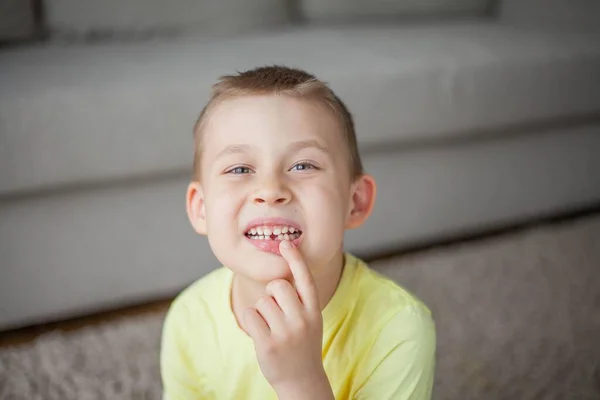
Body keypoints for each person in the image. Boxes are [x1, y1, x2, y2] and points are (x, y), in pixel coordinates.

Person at [160, 66, 436, 400]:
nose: (270, 190)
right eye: (240, 169)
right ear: (200, 208)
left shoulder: (399, 327)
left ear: (356, 202)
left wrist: (301, 382)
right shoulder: (189, 318)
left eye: (303, 165)